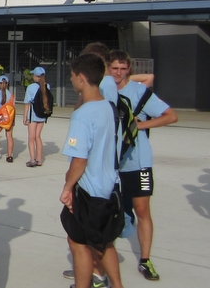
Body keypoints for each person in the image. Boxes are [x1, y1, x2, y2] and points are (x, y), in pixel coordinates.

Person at [109, 50, 177, 282]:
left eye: (122, 68)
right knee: (108, 213)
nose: (118, 73)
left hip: (138, 162)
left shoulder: (140, 92)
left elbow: (170, 116)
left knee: (142, 210)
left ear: (129, 69)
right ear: (108, 68)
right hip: (111, 163)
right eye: (114, 68)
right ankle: (98, 261)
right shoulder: (102, 92)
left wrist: (142, 124)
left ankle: (145, 259)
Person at [60, 54, 125, 288]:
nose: (71, 79)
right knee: (104, 241)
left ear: (81, 78)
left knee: (78, 242)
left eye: (72, 75)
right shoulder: (108, 107)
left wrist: (67, 188)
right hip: (110, 187)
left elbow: (79, 159)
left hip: (88, 190)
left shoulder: (83, 115)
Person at [23, 66, 50, 167]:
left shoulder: (31, 87)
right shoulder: (47, 86)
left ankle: (32, 159)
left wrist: (25, 116)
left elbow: (27, 103)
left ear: (35, 76)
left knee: (31, 137)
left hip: (33, 114)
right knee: (38, 136)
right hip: (42, 115)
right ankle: (39, 159)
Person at [0, 75, 15, 162]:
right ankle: (10, 155)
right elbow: (13, 107)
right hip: (9, 118)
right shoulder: (11, 95)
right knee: (9, 136)